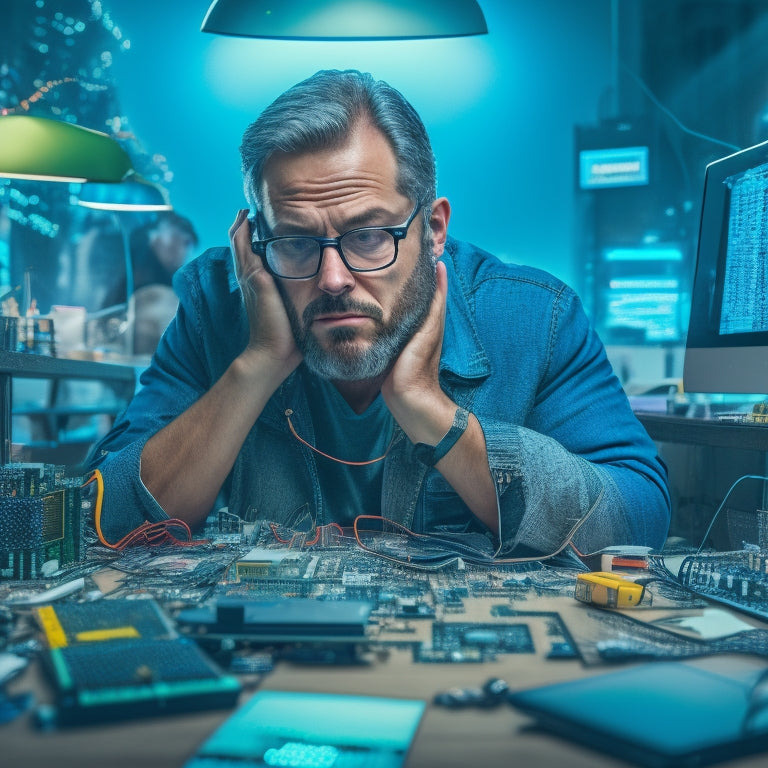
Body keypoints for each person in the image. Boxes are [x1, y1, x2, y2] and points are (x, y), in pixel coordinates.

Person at [88, 69, 670, 556]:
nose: (333, 278)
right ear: (253, 245)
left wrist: (437, 418)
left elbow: (637, 519)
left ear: (433, 229)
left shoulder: (534, 318)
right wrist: (256, 365)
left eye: (367, 235)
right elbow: (103, 521)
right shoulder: (215, 307)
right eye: (294, 242)